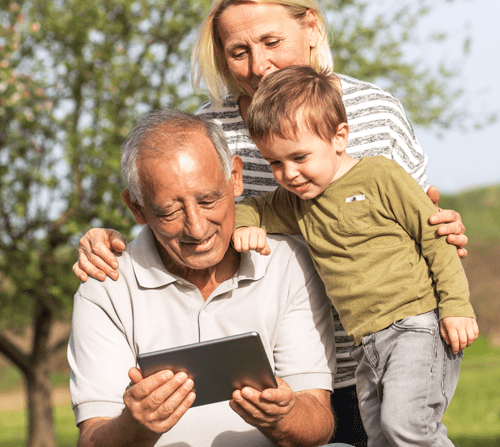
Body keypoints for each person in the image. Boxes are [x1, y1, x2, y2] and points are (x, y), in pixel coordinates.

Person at [71, 0, 469, 446]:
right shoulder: (213, 130)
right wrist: (104, 238)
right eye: (239, 51)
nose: (259, 66)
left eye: (271, 41)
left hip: (385, 335)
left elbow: (422, 222)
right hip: (287, 366)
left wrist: (447, 250)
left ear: (311, 27)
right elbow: (178, 213)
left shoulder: (375, 113)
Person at [68, 109, 350, 447]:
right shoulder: (105, 287)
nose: (197, 228)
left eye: (208, 199)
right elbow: (92, 438)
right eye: (170, 212)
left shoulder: (287, 263)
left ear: (235, 177)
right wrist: (135, 426)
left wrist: (284, 417)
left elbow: (317, 418)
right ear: (137, 209)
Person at [231, 65, 479, 447]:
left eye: (299, 157)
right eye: (275, 163)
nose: (289, 174)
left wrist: (456, 305)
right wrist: (245, 226)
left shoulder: (380, 175)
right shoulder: (297, 204)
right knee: (378, 438)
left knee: (407, 429)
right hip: (367, 343)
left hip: (416, 325)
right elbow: (251, 207)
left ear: (339, 137)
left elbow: (435, 239)